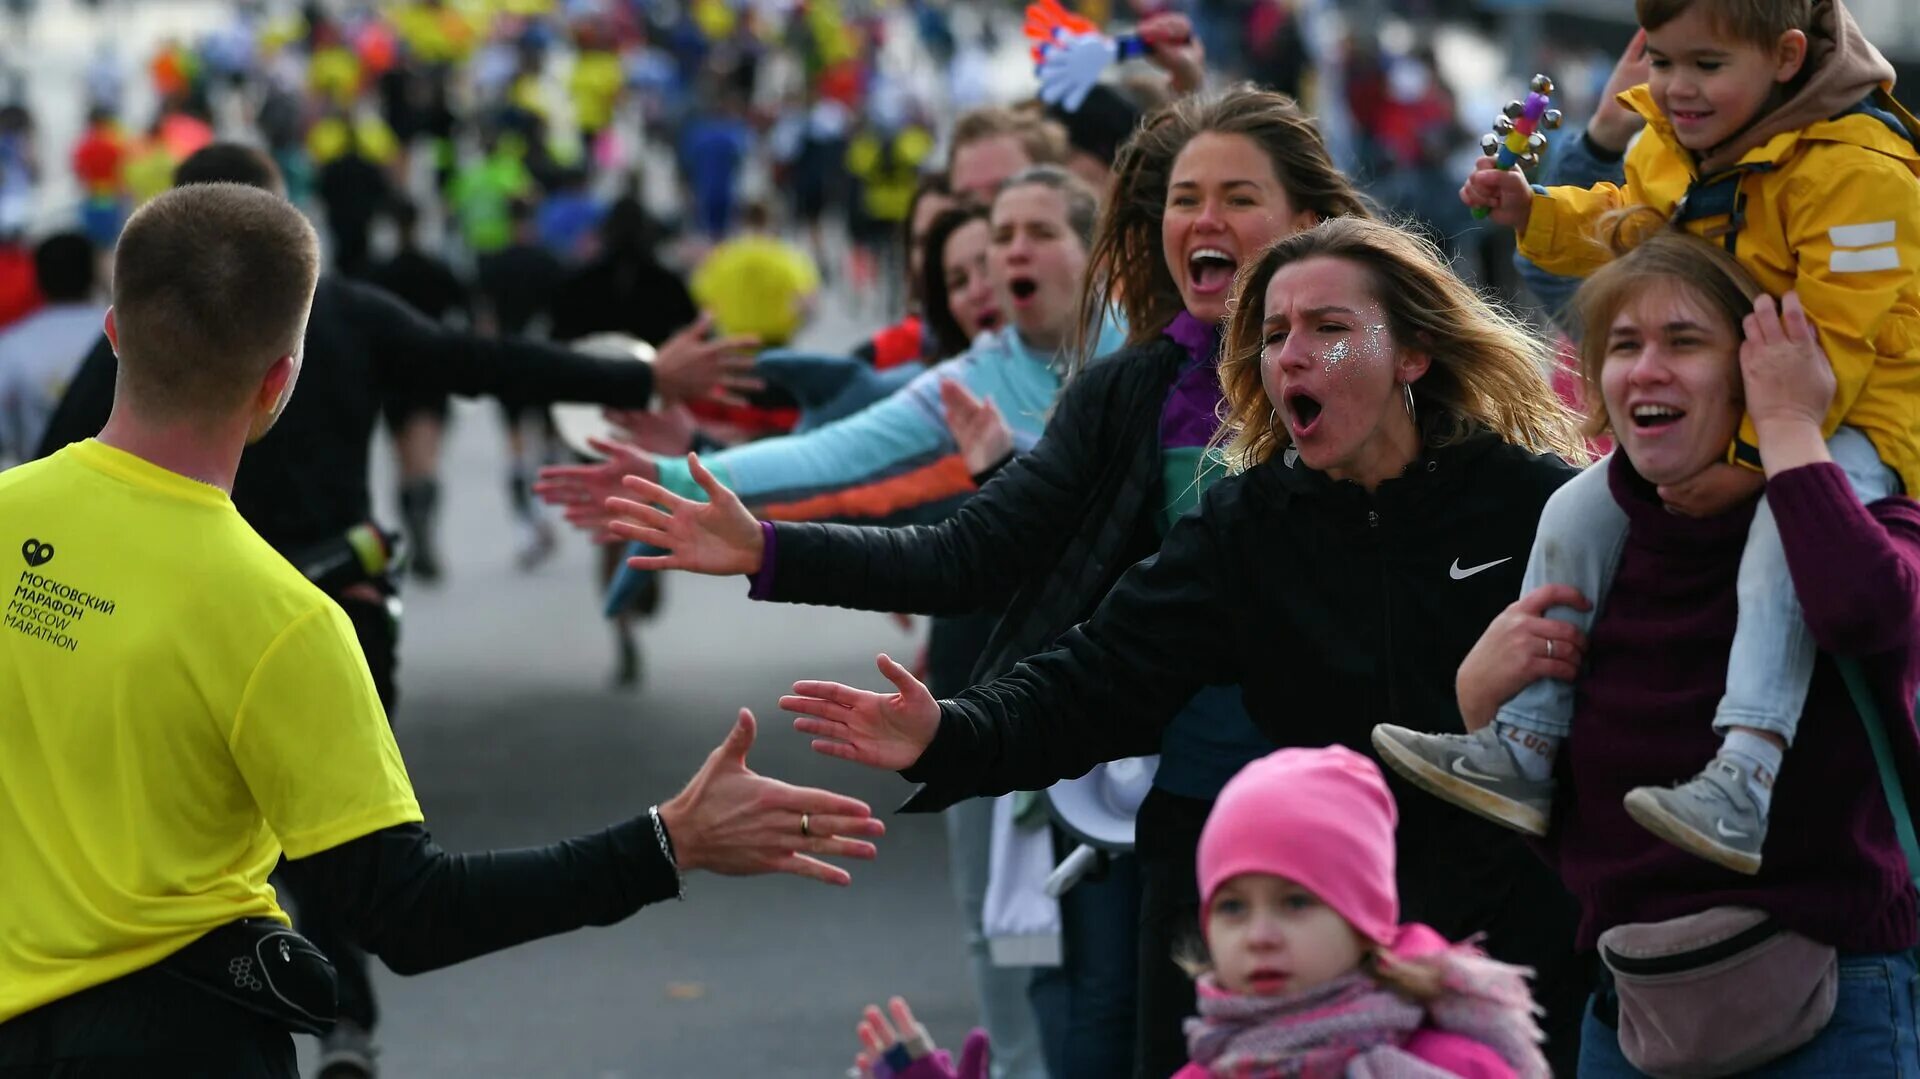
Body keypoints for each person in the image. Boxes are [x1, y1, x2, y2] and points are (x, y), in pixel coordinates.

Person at [599, 89, 1430, 1079]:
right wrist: (768, 550)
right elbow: (972, 551)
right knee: (1126, 1043)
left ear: (1306, 223)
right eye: (1182, 197)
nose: (1202, 219)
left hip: (1383, 806)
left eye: (1237, 196)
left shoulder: (1388, 380)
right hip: (1186, 803)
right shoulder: (1130, 391)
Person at [644, 216, 1597, 1072]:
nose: (1291, 356)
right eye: (1271, 337)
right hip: (1327, 951)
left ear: (1413, 356)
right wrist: (952, 733)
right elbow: (1095, 678)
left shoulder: (1536, 505)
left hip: (1520, 935)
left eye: (1330, 330)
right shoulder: (1247, 527)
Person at [0, 181, 885, 1078]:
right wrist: (669, 841)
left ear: (113, 335)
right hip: (184, 1043)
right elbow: (407, 912)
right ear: (281, 381)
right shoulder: (285, 620)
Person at [1381, 0, 1920, 875]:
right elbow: (1629, 227)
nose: (1675, 87)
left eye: (1705, 65)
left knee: (1791, 526)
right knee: (1573, 511)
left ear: (1786, 57)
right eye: (1662, 63)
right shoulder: (1674, 138)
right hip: (1735, 412)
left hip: (1852, 418)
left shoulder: (1863, 171)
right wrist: (1538, 211)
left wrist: (1752, 462)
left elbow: (1835, 352)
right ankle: (1525, 745)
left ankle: (1746, 770)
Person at [1449, 226, 1920, 1075]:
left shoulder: (1869, 522)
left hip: (1833, 1005)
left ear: (1757, 365)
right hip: (1639, 1013)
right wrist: (1483, 703)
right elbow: (1599, 841)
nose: (1647, 368)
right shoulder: (1597, 542)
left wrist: (1787, 428)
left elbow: (1863, 612)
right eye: (1623, 344)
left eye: (1686, 341)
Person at [1175, 747, 1547, 1077]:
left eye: (1296, 902)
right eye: (1232, 907)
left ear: (1364, 921)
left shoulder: (1453, 1067)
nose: (1259, 937)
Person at [366, 196, 472, 583]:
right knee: (426, 461)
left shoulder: (379, 273)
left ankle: (414, 530)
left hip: (392, 376)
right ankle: (425, 528)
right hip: (431, 370)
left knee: (404, 462)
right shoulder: (437, 269)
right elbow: (466, 312)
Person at [0, 233, 101, 468]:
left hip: (37, 479)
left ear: (37, 278)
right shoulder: (124, 332)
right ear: (93, 273)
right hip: (121, 482)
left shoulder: (14, 344)